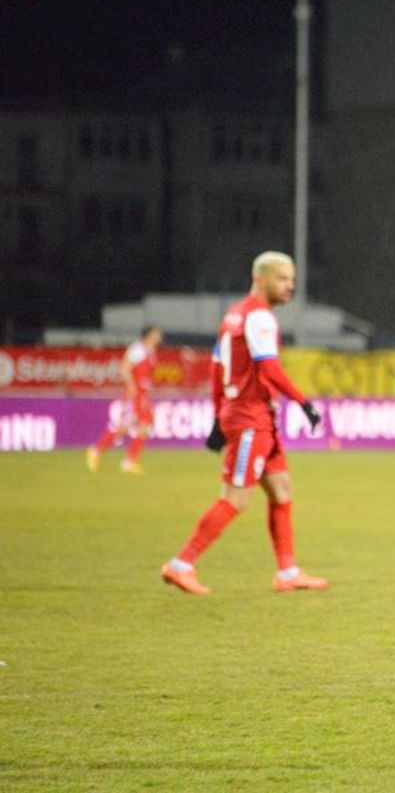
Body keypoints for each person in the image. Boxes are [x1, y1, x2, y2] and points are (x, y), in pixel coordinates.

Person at [160, 251, 327, 596]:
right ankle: (181, 564)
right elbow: (270, 369)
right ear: (260, 279)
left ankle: (288, 572)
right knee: (236, 498)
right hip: (251, 418)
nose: (289, 286)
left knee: (281, 491)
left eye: (292, 280)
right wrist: (304, 403)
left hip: (252, 416)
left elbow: (217, 369)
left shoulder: (234, 316)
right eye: (282, 279)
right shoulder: (259, 318)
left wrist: (218, 418)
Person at [86, 325, 163, 474]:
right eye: (157, 333)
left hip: (143, 395)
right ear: (149, 335)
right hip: (135, 395)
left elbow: (145, 374)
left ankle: (129, 461)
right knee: (126, 428)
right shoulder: (138, 349)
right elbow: (125, 368)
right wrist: (132, 387)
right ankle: (96, 451)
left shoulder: (151, 351)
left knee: (144, 426)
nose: (160, 335)